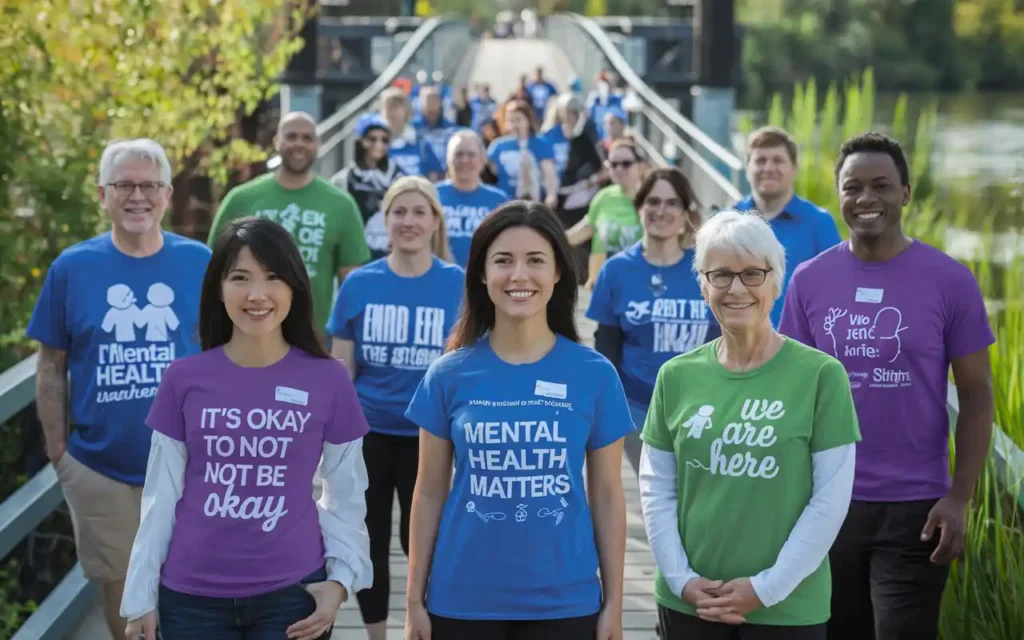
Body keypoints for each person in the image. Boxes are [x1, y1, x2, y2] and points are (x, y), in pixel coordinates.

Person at [778, 132, 996, 640]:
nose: (866, 199)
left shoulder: (950, 281)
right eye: (853, 187)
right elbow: (790, 394)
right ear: (838, 195)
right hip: (826, 503)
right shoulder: (809, 281)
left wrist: (959, 496)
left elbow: (978, 393)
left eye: (881, 185)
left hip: (916, 509)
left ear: (906, 193)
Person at [120, 217, 373, 640]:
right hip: (190, 600)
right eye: (240, 278)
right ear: (219, 289)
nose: (257, 294)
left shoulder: (329, 380)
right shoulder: (183, 379)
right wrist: (140, 598)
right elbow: (160, 498)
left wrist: (341, 581)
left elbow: (346, 495)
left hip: (293, 598)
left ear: (294, 286)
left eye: (273, 277)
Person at [403, 202, 634, 639]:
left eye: (535, 261)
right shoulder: (448, 374)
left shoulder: (594, 373)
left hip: (567, 602)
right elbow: (429, 491)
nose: (518, 276)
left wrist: (615, 606)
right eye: (503, 261)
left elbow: (606, 495)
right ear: (482, 274)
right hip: (461, 602)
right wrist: (414, 599)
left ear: (558, 272)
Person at [639, 210, 860, 638]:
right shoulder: (676, 376)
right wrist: (682, 580)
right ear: (703, 284)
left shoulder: (821, 376)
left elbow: (830, 500)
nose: (736, 288)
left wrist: (766, 589)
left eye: (752, 274)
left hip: (786, 608)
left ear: (776, 281)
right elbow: (655, 489)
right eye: (720, 274)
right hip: (690, 603)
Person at [25, 138, 210, 639]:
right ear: (103, 195)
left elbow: (229, 353)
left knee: (194, 590)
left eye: (149, 185)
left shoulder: (201, 262)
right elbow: (50, 364)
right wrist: (60, 453)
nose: (137, 196)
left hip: (190, 461)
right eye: (124, 185)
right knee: (123, 595)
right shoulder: (72, 268)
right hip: (100, 468)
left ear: (167, 194)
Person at [326, 176, 463, 640]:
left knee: (424, 541)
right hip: (370, 432)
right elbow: (341, 369)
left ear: (434, 221)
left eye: (418, 212)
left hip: (433, 436)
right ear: (384, 221)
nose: (408, 221)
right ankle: (377, 635)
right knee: (369, 541)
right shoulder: (359, 284)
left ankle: (421, 624)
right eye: (398, 212)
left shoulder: (459, 285)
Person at [587, 167, 718, 447]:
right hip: (637, 412)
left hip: (704, 411)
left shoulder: (707, 269)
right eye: (653, 202)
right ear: (639, 208)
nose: (662, 210)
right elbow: (606, 346)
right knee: (653, 491)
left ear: (685, 214)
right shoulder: (616, 270)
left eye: (673, 203)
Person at [208, 111, 371, 331]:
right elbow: (211, 271)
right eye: (291, 136)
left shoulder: (341, 204)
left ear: (317, 144)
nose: (299, 144)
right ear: (277, 141)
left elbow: (352, 284)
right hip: (245, 337)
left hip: (313, 342)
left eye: (307, 138)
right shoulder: (241, 199)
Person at [734, 127, 841, 327]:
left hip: (798, 347)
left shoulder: (819, 223)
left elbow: (836, 290)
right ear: (748, 168)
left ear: (794, 168)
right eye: (760, 160)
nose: (768, 168)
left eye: (778, 160)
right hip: (737, 345)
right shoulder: (728, 222)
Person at [567, 139, 644, 288]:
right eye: (614, 164)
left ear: (640, 167)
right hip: (601, 287)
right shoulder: (604, 196)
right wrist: (550, 238)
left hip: (638, 287)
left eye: (626, 164)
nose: (619, 169)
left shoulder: (652, 200)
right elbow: (584, 230)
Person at [331, 115, 406, 260]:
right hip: (357, 254)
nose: (379, 145)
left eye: (384, 140)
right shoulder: (343, 180)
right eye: (372, 139)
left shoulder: (399, 178)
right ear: (360, 141)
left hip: (391, 254)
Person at [436, 130, 511, 267]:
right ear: (448, 159)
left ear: (482, 161)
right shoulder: (433, 195)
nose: (464, 160)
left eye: (471, 154)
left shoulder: (499, 200)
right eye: (458, 154)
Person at [487, 100, 559, 207]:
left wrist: (551, 195)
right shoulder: (498, 146)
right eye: (511, 120)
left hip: (532, 202)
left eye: (518, 119)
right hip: (505, 202)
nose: (515, 124)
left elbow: (549, 174)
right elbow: (488, 173)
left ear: (528, 120)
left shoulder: (541, 144)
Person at [412, 86, 455, 181]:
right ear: (420, 102)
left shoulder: (450, 128)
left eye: (435, 99)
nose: (431, 103)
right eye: (428, 99)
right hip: (420, 176)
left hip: (445, 176)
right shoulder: (412, 127)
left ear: (440, 102)